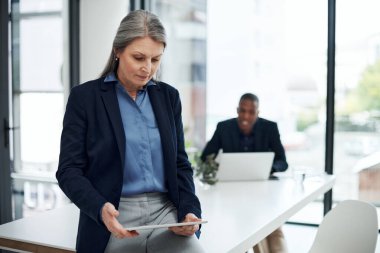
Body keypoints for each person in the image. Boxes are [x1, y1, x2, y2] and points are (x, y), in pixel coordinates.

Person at [56, 10, 205, 253]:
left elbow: (180, 164)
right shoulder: (85, 98)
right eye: (139, 58)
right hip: (114, 213)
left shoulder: (169, 97)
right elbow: (68, 170)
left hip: (166, 213)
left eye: (155, 60)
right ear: (118, 50)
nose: (147, 69)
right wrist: (99, 208)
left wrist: (190, 211)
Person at [201, 93, 288, 253]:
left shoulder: (270, 128)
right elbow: (205, 157)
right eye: (242, 110)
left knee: (273, 230)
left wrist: (267, 167)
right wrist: (220, 166)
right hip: (231, 194)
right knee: (254, 229)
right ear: (237, 110)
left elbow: (283, 162)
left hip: (263, 193)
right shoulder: (223, 127)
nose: (246, 116)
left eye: (251, 112)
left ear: (257, 113)